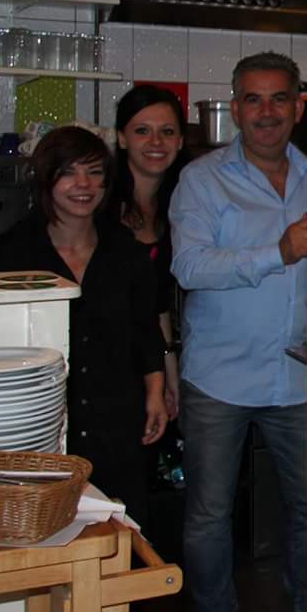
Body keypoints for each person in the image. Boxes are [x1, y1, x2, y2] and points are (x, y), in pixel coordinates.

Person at [169, 52, 307, 612]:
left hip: (299, 374)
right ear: (235, 108)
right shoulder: (201, 180)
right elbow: (189, 267)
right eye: (252, 99)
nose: (266, 112)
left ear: (298, 107)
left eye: (279, 98)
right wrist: (273, 252)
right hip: (219, 376)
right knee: (208, 515)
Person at [0, 127, 169, 612]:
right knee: (50, 536)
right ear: (46, 181)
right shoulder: (14, 249)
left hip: (116, 414)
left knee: (119, 531)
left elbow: (145, 330)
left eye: (94, 173)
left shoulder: (125, 251)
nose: (83, 185)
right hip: (44, 420)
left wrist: (157, 390)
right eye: (69, 173)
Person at [105, 85, 188, 423]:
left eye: (167, 132)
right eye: (142, 131)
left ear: (180, 141)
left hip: (148, 360)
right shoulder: (99, 203)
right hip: (103, 363)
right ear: (121, 138)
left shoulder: (180, 207)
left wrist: (170, 376)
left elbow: (157, 304)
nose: (156, 142)